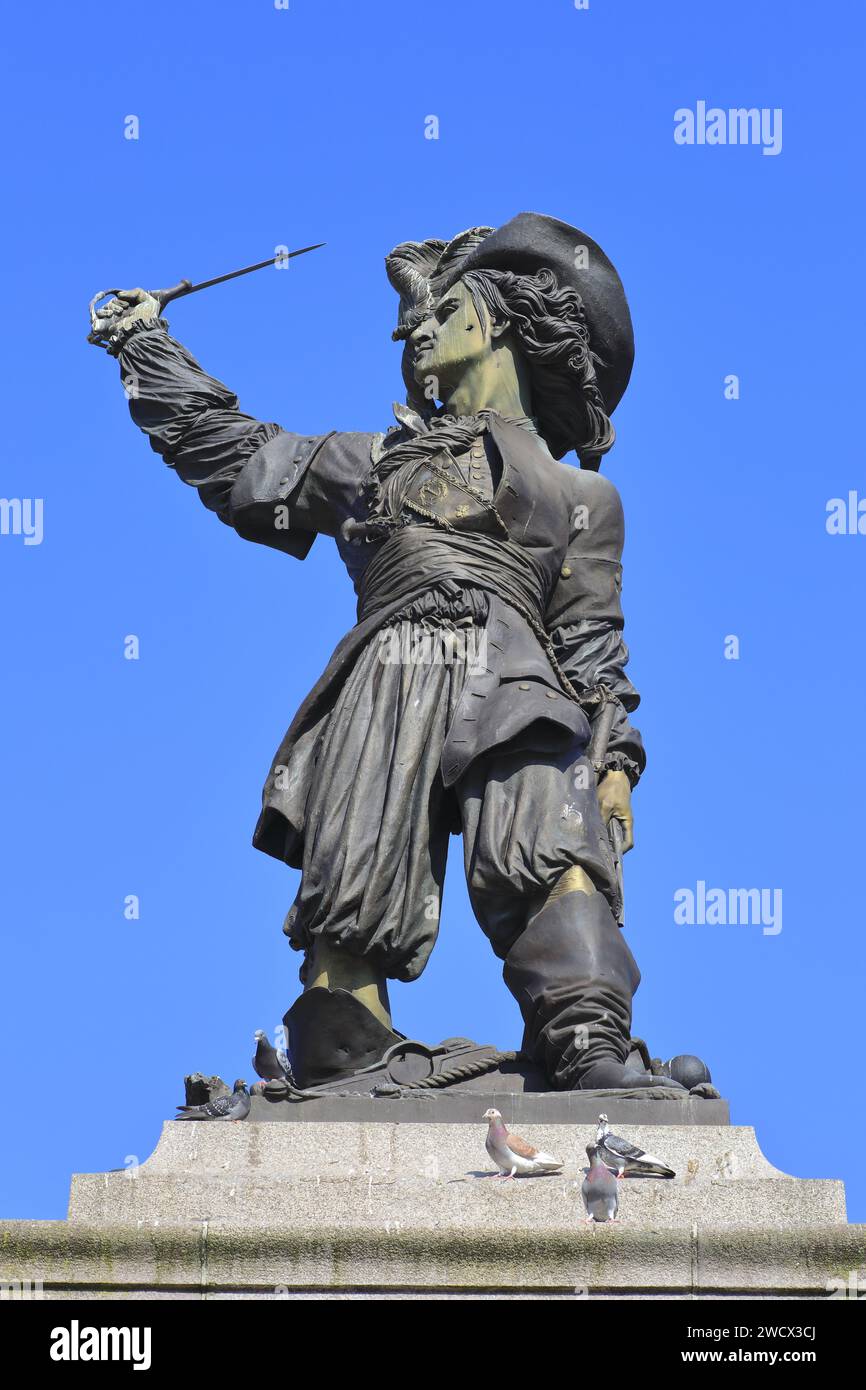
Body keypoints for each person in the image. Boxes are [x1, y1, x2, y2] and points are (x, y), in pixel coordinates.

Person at [89, 212, 672, 1092]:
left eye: (440, 313)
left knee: (550, 842)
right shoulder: (369, 462)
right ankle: (342, 1046)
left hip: (516, 678)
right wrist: (147, 346)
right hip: (386, 673)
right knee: (357, 869)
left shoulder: (581, 493)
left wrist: (616, 758)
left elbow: (592, 643)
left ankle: (586, 1037)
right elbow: (237, 457)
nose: (416, 333)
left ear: (497, 320)